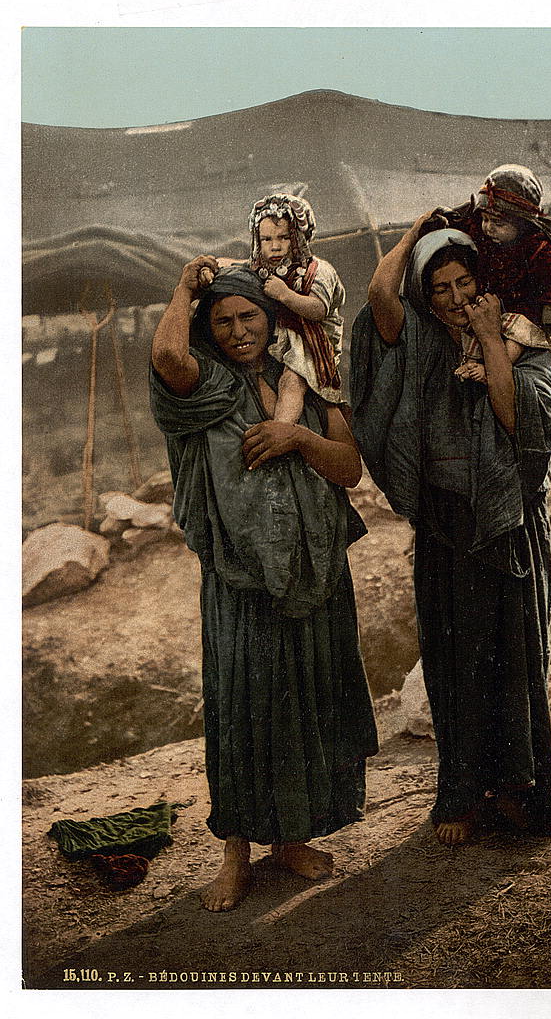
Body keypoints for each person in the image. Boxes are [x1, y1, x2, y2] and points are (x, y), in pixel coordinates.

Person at [150, 256, 378, 911]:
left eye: (248, 315)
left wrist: (294, 437)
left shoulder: (306, 378)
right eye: (221, 320)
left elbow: (347, 469)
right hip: (240, 580)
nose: (237, 330)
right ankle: (235, 853)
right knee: (245, 709)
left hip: (313, 568)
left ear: (270, 316)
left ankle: (290, 840)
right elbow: (167, 356)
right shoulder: (203, 386)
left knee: (303, 704)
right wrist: (183, 289)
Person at [350, 220, 551, 847]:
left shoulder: (527, 342)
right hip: (447, 526)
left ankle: (521, 793)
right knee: (454, 662)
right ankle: (463, 795)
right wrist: (422, 227)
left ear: (484, 283)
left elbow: (516, 416)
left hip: (508, 526)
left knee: (513, 662)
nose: (452, 296)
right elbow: (379, 297)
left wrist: (493, 338)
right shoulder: (419, 341)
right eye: (438, 285)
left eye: (464, 281)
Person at [429, 162, 551, 381]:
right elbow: (465, 223)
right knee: (472, 323)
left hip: (525, 310)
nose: (488, 227)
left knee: (518, 333)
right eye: (485, 219)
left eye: (498, 223)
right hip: (491, 302)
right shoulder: (483, 232)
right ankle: (472, 362)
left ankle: (494, 368)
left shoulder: (540, 249)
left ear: (522, 223)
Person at [247, 193, 347, 424]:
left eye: (283, 238)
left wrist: (285, 294)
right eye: (266, 239)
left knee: (291, 381)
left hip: (311, 342)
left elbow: (318, 309)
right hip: (276, 341)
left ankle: (281, 431)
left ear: (298, 238)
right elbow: (234, 266)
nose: (275, 247)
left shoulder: (318, 270)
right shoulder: (262, 268)